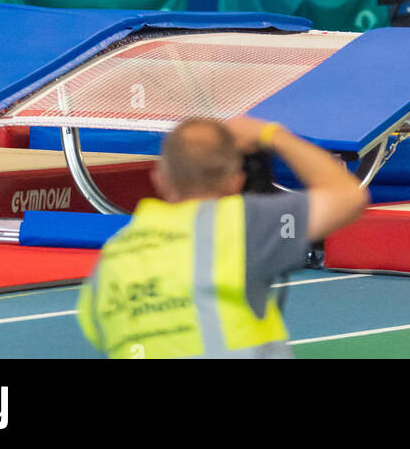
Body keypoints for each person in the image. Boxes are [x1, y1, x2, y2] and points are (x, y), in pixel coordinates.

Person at [77, 113, 367, 359]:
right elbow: (347, 197)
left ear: (160, 179)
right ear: (236, 180)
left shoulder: (115, 254)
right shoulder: (244, 224)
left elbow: (98, 331)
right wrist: (273, 135)